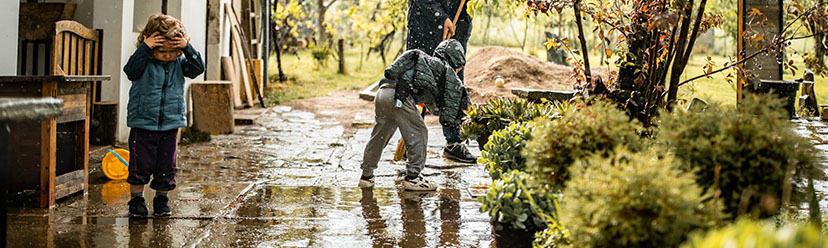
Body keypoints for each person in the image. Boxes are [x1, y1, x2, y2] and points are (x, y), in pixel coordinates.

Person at [360, 39, 470, 191]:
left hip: (383, 92)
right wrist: (452, 119)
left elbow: (428, 96)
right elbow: (453, 96)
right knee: (419, 132)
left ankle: (366, 175)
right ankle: (413, 178)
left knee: (380, 135)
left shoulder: (426, 64)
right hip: (400, 97)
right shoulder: (446, 70)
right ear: (456, 60)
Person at [123, 14, 205, 217]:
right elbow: (130, 71)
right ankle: (137, 200)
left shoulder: (179, 63)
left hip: (170, 122)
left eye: (172, 51)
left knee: (166, 166)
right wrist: (144, 47)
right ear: (149, 44)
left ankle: (161, 198)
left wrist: (186, 47)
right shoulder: (142, 62)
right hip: (143, 122)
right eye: (162, 51)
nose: (168, 56)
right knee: (139, 164)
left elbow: (198, 69)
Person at [406, 0, 476, 162]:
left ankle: (454, 142)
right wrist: (441, 17)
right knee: (418, 82)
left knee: (453, 85)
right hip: (424, 27)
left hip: (456, 25)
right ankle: (410, 141)